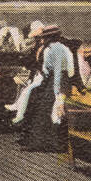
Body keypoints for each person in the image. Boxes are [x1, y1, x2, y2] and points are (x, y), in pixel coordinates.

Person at [18, 24, 73, 153]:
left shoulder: (55, 49)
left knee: (45, 109)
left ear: (51, 38)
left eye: (46, 37)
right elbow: (69, 70)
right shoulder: (62, 48)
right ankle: (44, 141)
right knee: (43, 107)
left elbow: (57, 71)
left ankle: (44, 143)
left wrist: (54, 90)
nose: (44, 40)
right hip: (59, 80)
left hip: (57, 81)